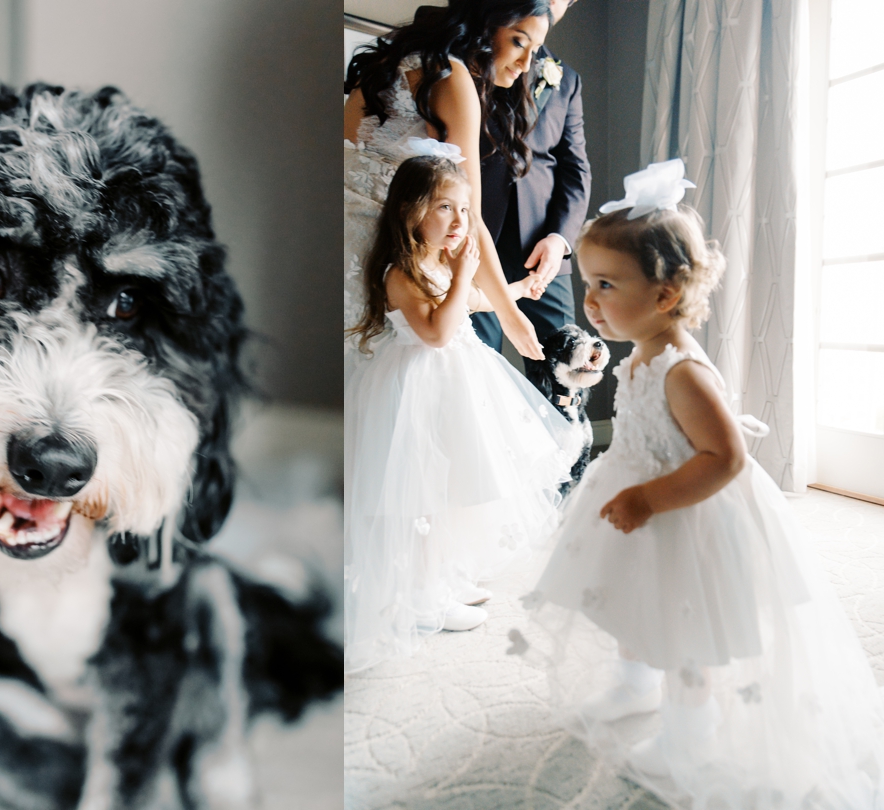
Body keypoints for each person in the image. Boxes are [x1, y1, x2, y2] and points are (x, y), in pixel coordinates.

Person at [525, 160, 884, 805]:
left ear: (665, 296)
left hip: (686, 514)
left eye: (607, 284)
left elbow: (724, 458)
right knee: (632, 603)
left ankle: (690, 732)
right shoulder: (642, 352)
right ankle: (635, 684)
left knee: (684, 629)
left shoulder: (683, 372)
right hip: (639, 506)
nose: (590, 301)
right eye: (588, 283)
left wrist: (649, 496)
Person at [344, 156, 572, 675]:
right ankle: (423, 597)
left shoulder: (438, 264)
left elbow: (467, 303)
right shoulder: (400, 272)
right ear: (410, 211)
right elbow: (438, 332)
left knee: (456, 489)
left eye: (465, 210)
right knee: (426, 492)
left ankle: (444, 576)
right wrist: (466, 270)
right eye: (444, 207)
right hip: (419, 392)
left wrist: (513, 292)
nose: (458, 220)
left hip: (455, 388)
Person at [345, 0, 556, 370]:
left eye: (535, 50)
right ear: (487, 24)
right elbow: (469, 214)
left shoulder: (389, 64)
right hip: (386, 257)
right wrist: (511, 316)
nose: (526, 65)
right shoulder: (451, 78)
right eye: (519, 42)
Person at [471, 0, 591, 388]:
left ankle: (568, 448)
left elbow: (575, 168)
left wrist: (559, 240)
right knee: (475, 367)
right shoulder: (469, 59)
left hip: (542, 252)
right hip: (470, 241)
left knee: (565, 368)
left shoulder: (566, 80)